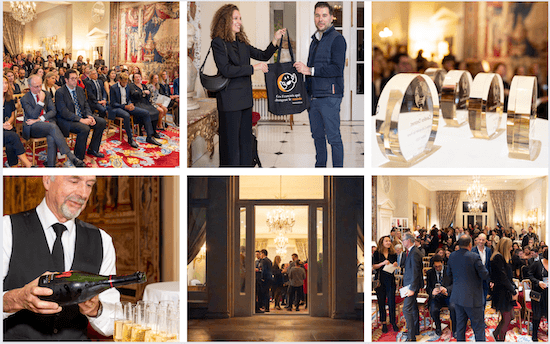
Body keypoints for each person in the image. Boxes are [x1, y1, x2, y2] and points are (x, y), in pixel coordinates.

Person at [3, 176, 119, 340]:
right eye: (74, 181)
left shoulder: (102, 240)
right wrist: (16, 300)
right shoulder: (6, 229)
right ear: (47, 181)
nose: (83, 193)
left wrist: (96, 309)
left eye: (89, 185)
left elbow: (113, 323)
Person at [210, 4, 286, 167]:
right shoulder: (218, 43)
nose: (239, 22)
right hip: (229, 101)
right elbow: (226, 70)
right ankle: (231, 174)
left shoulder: (242, 42)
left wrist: (275, 39)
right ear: (225, 21)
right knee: (230, 145)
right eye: (235, 19)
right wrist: (254, 68)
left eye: (240, 18)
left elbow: (263, 55)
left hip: (245, 100)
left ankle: (245, 172)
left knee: (245, 142)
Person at [294, 2, 346, 168]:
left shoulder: (338, 39)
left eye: (324, 15)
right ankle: (320, 170)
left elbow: (337, 68)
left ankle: (338, 174)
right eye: (317, 15)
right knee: (317, 137)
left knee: (333, 138)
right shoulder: (314, 40)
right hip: (313, 97)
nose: (320, 19)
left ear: (331, 17)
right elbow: (312, 68)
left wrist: (310, 70)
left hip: (330, 97)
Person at [21, 75, 86, 167]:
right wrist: (41, 102)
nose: (39, 88)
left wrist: (40, 119)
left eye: (40, 85)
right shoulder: (24, 99)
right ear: (29, 86)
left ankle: (51, 165)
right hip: (33, 127)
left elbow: (53, 111)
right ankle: (71, 157)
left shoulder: (46, 93)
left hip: (46, 123)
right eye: (36, 86)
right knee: (53, 127)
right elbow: (33, 115)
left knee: (51, 136)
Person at [55, 69, 106, 161]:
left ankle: (93, 149)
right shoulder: (60, 92)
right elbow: (63, 112)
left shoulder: (80, 89)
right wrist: (81, 120)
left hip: (81, 116)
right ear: (66, 80)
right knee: (84, 128)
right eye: (72, 78)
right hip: (67, 120)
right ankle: (79, 157)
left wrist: (89, 115)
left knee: (101, 122)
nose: (75, 80)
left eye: (76, 78)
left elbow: (85, 104)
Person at [446, 235, 489, 341]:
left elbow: (448, 274)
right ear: (470, 244)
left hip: (458, 297)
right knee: (478, 328)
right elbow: (485, 275)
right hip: (473, 299)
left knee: (460, 328)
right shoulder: (474, 257)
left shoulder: (452, 256)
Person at [109, 72, 159, 148]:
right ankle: (130, 139)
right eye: (123, 82)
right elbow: (112, 103)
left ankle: (149, 137)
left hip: (127, 106)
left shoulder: (127, 86)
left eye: (126, 82)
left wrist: (130, 104)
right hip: (117, 108)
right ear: (119, 80)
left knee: (146, 113)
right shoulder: (113, 88)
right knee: (126, 115)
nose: (125, 84)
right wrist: (125, 106)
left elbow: (128, 99)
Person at [490, 237, 518, 341]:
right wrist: (513, 291)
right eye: (510, 246)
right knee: (507, 317)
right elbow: (503, 278)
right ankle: (500, 339)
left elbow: (508, 277)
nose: (511, 248)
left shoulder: (503, 257)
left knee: (510, 316)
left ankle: (496, 333)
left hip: (506, 290)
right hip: (501, 292)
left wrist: (514, 288)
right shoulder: (498, 258)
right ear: (505, 246)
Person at [3, 76, 32, 168]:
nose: (5, 85)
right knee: (14, 136)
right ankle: (28, 164)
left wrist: (8, 123)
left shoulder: (9, 99)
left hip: (7, 129)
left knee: (10, 143)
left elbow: (12, 116)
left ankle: (13, 166)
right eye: (2, 83)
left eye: (6, 83)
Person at [372, 236, 399, 333]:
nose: (388, 242)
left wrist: (395, 265)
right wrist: (382, 263)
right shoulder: (377, 253)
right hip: (380, 280)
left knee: (392, 302)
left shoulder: (393, 254)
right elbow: (374, 266)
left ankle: (393, 322)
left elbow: (394, 265)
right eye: (386, 241)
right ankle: (383, 322)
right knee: (381, 302)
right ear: (382, 242)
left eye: (389, 241)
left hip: (390, 279)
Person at [425, 255, 455, 336]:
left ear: (443, 263)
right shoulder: (430, 273)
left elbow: (455, 284)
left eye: (439, 266)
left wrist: (447, 289)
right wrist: (432, 292)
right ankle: (438, 326)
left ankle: (454, 328)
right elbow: (428, 288)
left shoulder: (450, 270)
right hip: (436, 298)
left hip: (448, 296)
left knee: (454, 307)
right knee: (433, 309)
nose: (437, 268)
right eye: (436, 267)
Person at [402, 232, 423, 341]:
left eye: (403, 240)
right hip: (410, 285)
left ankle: (411, 336)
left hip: (412, 286)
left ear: (408, 240)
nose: (402, 242)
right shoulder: (411, 251)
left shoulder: (414, 252)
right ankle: (415, 330)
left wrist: (412, 289)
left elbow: (416, 272)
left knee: (406, 309)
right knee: (413, 308)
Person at [129, 73, 161, 138]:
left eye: (139, 77)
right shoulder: (131, 86)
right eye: (136, 77)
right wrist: (143, 92)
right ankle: (140, 128)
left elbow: (149, 94)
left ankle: (153, 130)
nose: (138, 78)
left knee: (156, 112)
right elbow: (133, 94)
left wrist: (147, 94)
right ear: (133, 79)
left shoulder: (143, 85)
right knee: (145, 112)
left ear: (141, 78)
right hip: (137, 103)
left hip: (146, 102)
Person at [528, 249, 548, 341]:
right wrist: (538, 282)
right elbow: (530, 275)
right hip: (539, 293)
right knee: (537, 314)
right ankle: (534, 334)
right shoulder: (537, 263)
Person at [471, 233, 491, 305]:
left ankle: (482, 314)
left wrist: (490, 279)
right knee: (476, 300)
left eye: (483, 240)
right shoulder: (472, 251)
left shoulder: (488, 250)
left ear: (486, 241)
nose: (481, 241)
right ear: (477, 240)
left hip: (485, 278)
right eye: (480, 239)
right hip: (475, 279)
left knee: (484, 299)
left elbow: (489, 265)